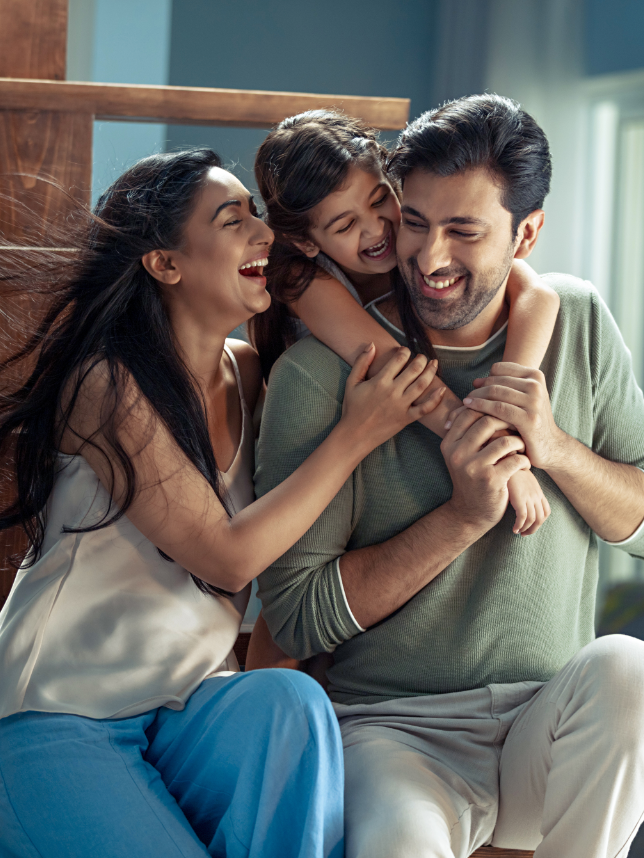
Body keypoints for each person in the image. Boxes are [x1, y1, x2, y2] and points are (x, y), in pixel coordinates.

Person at [0, 149, 443, 858]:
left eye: (259, 218)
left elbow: (315, 292)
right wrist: (357, 432)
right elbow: (228, 558)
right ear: (165, 264)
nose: (262, 235)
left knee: (290, 704)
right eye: (233, 221)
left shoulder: (252, 376)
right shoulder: (106, 384)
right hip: (56, 716)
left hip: (182, 716)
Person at [253, 95, 644, 858]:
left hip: (547, 724)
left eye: (464, 231)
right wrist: (464, 515)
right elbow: (296, 618)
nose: (428, 258)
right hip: (396, 735)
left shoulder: (577, 320)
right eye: (418, 223)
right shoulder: (323, 372)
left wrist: (555, 447)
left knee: (630, 670)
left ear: (526, 233)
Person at [250, 109, 560, 535]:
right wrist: (503, 458)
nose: (378, 229)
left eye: (380, 200)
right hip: (317, 449)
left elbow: (538, 294)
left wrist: (507, 410)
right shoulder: (301, 279)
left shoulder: (421, 242)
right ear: (306, 241)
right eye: (345, 225)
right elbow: (399, 369)